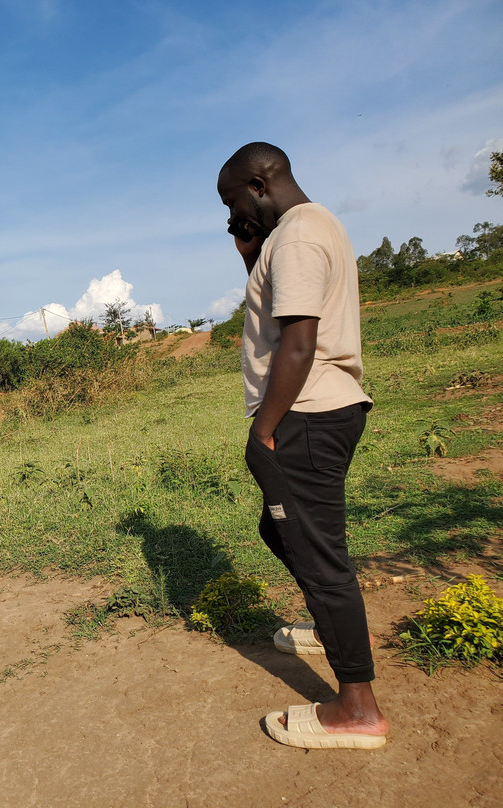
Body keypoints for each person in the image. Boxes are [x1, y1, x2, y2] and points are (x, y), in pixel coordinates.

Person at [217, 142, 388, 749]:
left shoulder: (294, 237)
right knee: (279, 528)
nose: (233, 214)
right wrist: (247, 253)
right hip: (323, 408)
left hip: (306, 413)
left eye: (233, 201)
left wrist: (264, 430)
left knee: (318, 555)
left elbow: (297, 342)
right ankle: (331, 626)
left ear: (259, 186)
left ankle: (356, 709)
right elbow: (273, 315)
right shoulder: (312, 228)